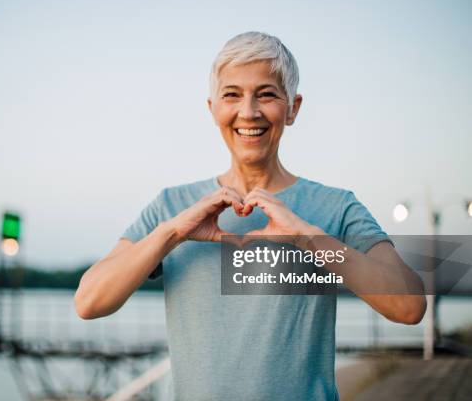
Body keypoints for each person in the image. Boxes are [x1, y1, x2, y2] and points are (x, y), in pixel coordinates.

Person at [74, 31, 426, 400]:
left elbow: (408, 305)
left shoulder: (337, 207)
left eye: (267, 94)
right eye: (232, 95)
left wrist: (310, 239)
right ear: (212, 108)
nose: (249, 111)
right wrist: (173, 234)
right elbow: (89, 301)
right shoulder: (172, 207)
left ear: (292, 108)